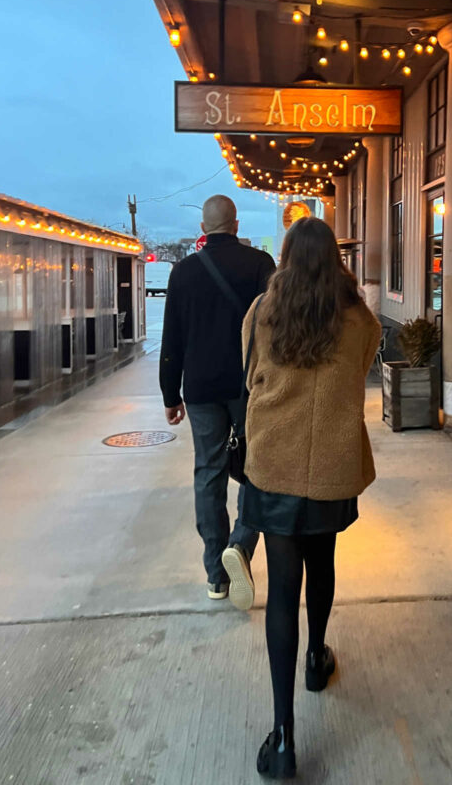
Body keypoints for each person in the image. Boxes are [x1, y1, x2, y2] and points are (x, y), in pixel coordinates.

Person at [240, 216, 381, 779]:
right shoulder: (359, 322)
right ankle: (317, 659)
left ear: (286, 259)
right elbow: (360, 373)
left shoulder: (262, 314)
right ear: (336, 261)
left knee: (281, 592)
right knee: (322, 563)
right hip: (331, 464)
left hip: (272, 463)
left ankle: (283, 737)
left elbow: (248, 374)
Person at [160, 194, 275, 606]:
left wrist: (170, 393)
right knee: (256, 468)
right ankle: (240, 547)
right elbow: (274, 327)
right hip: (251, 386)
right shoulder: (261, 265)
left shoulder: (184, 272)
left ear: (203, 230)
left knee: (208, 472)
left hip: (202, 388)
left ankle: (216, 575)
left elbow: (171, 336)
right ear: (237, 225)